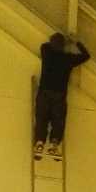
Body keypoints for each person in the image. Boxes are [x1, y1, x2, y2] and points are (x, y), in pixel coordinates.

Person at [34, 31, 90, 161]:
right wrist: (75, 42)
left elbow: (45, 45)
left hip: (44, 92)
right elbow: (86, 56)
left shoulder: (46, 52)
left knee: (41, 118)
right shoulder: (68, 59)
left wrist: (61, 42)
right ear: (63, 46)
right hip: (59, 95)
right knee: (58, 121)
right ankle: (54, 145)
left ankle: (40, 143)